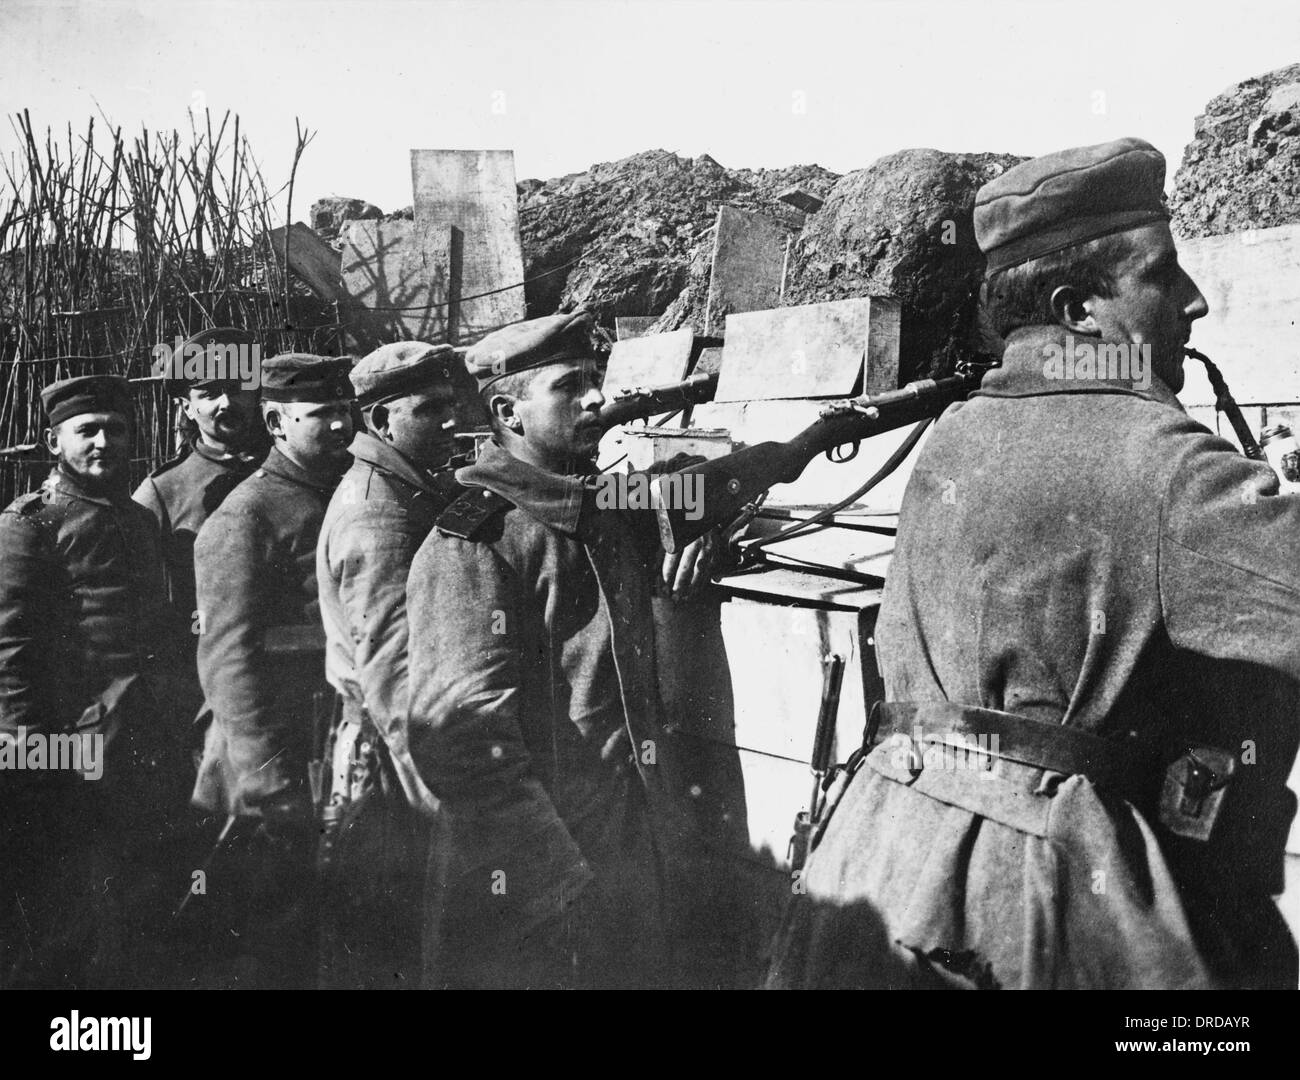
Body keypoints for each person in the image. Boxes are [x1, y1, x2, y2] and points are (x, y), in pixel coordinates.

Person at [766, 137, 1300, 990]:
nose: (1194, 303)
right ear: (1079, 310)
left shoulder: (956, 436)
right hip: (1042, 914)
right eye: (1163, 276)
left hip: (881, 872)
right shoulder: (1163, 464)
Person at [407, 311, 716, 989]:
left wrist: (699, 534)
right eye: (570, 386)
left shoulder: (595, 499)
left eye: (597, 381)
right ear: (507, 412)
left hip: (625, 840)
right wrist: (555, 878)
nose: (597, 399)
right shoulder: (473, 541)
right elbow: (463, 736)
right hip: (539, 877)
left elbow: (691, 488)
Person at [0, 375, 175, 988]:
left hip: (140, 735)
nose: (105, 442)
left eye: (116, 430)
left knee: (133, 893)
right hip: (67, 743)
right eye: (88, 431)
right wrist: (28, 753)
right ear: (54, 442)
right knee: (61, 905)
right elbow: (9, 648)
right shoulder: (30, 526)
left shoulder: (137, 519)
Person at [188, 352, 354, 989]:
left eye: (345, 411)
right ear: (278, 423)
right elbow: (228, 659)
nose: (340, 427)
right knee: (271, 940)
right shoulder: (245, 516)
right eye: (321, 416)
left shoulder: (347, 493)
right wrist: (268, 780)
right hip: (277, 759)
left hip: (335, 742)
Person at [315, 340, 474, 989]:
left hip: (400, 760)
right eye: (430, 409)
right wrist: (449, 801)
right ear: (381, 422)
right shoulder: (380, 515)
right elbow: (391, 674)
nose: (450, 422)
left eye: (451, 406)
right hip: (395, 769)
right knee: (391, 949)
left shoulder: (405, 490)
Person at [134, 327, 268, 746]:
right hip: (205, 675)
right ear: (187, 407)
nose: (227, 402)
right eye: (209, 393)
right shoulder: (163, 491)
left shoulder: (293, 470)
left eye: (237, 388)